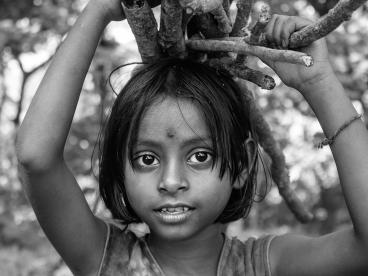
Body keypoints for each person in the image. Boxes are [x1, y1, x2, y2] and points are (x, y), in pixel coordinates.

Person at [15, 0, 368, 275]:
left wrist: (318, 82)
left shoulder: (268, 265)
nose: (170, 182)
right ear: (120, 168)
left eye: (200, 156)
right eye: (147, 159)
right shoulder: (105, 260)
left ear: (242, 164)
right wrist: (99, 10)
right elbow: (36, 158)